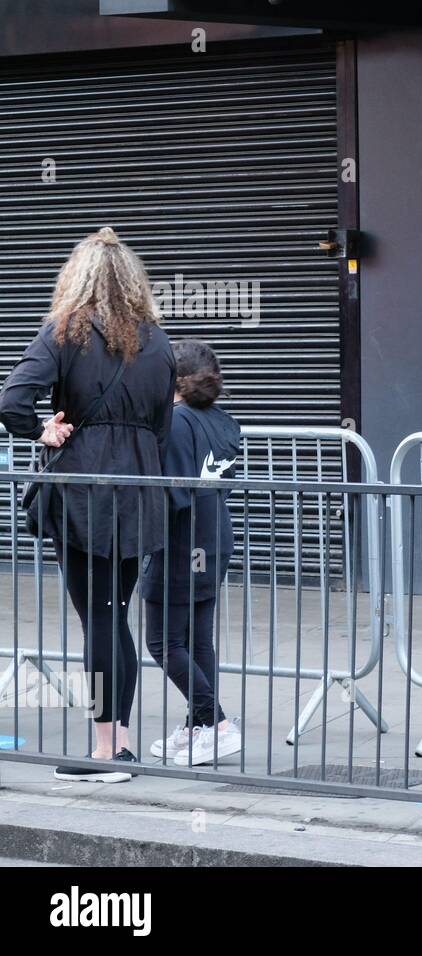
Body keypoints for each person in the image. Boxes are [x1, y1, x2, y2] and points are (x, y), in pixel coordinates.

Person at [0, 227, 175, 782]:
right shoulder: (158, 340)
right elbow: (163, 430)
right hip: (141, 490)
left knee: (98, 621)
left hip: (84, 491)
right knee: (113, 617)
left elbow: (11, 399)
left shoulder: (64, 331)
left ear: (77, 277)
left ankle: (106, 752)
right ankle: (118, 743)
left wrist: (41, 432)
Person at [139, 339, 243, 767]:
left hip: (182, 544)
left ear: (173, 380)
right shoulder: (223, 421)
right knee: (198, 641)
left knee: (162, 641)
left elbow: (173, 493)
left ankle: (217, 724)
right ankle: (201, 726)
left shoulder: (178, 422)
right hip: (212, 539)